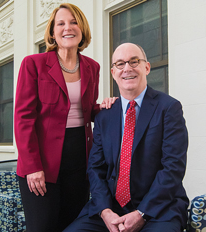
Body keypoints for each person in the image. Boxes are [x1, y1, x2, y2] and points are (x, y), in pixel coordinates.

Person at [64, 43, 189, 232]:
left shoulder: (169, 109)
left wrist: (142, 213)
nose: (127, 69)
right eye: (120, 64)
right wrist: (105, 211)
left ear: (146, 67)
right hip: (111, 208)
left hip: (159, 209)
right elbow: (95, 168)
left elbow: (173, 168)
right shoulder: (104, 116)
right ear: (113, 72)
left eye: (134, 61)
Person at [14, 3, 116, 232]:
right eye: (60, 23)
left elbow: (87, 111)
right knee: (42, 227)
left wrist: (105, 106)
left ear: (82, 29)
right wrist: (32, 166)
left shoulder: (93, 67)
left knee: (73, 226)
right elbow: (23, 118)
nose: (67, 28)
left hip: (79, 162)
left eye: (73, 22)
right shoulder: (33, 64)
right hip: (41, 164)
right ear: (52, 32)